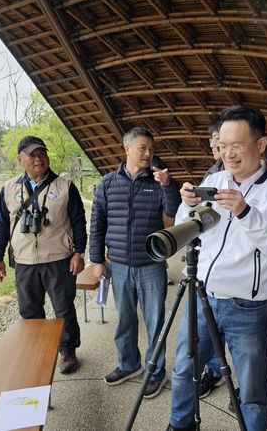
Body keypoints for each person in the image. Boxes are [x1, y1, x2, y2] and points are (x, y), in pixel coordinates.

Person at [167, 106, 267, 431]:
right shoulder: (213, 180)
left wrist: (245, 212)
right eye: (222, 145)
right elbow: (186, 230)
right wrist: (186, 206)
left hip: (248, 307)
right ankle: (180, 424)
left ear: (260, 144)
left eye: (237, 145)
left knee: (252, 388)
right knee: (184, 370)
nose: (228, 154)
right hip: (201, 298)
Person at [89, 127, 181, 399]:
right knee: (125, 320)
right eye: (143, 148)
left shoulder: (159, 181)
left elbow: (174, 211)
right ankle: (128, 364)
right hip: (118, 264)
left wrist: (168, 185)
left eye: (151, 149)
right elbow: (98, 224)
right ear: (127, 149)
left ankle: (155, 371)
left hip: (151, 264)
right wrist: (96, 260)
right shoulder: (107, 183)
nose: (148, 153)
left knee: (155, 321)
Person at [0, 135, 87, 374]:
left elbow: (78, 222)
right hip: (25, 262)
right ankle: (37, 351)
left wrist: (79, 253)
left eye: (41, 153)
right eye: (32, 155)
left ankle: (68, 351)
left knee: (63, 308)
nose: (38, 159)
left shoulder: (65, 186)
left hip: (59, 259)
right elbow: (0, 224)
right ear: (20, 159)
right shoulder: (10, 189)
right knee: (30, 311)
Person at [198, 117, 227, 399]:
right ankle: (214, 372)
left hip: (240, 272)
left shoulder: (245, 173)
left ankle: (241, 386)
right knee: (209, 326)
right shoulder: (211, 175)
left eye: (219, 137)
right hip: (212, 265)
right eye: (213, 140)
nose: (216, 144)